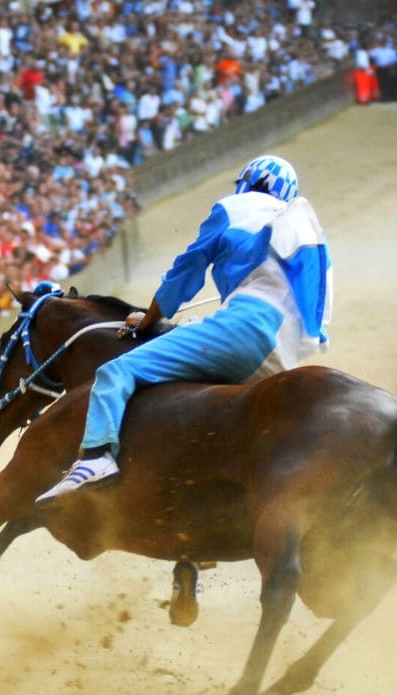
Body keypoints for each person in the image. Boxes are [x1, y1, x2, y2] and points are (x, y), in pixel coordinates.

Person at [36, 155, 332, 504]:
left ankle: (95, 458)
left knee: (116, 371)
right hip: (284, 354)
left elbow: (187, 270)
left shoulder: (236, 207)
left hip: (245, 327)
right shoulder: (301, 231)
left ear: (249, 180)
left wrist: (150, 317)